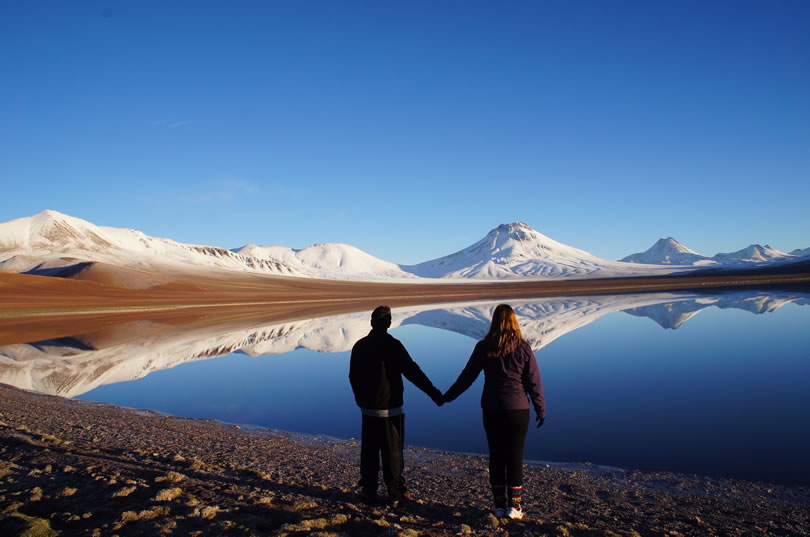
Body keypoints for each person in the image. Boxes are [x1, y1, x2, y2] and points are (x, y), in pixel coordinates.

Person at [442, 304, 545, 520]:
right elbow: (533, 382)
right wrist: (540, 408)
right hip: (518, 410)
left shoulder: (483, 347)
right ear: (514, 321)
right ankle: (514, 508)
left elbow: (467, 376)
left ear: (494, 322)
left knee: (496, 456)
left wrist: (447, 396)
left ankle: (499, 506)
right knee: (515, 457)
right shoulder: (524, 349)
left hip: (492, 409)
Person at [349, 305, 444, 507]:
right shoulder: (393, 345)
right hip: (391, 409)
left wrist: (360, 399)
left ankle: (369, 489)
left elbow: (353, 377)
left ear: (372, 322)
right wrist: (434, 393)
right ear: (389, 323)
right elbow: (413, 372)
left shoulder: (359, 345)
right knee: (392, 452)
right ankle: (395, 493)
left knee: (369, 450)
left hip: (368, 409)